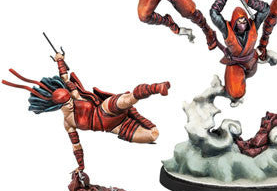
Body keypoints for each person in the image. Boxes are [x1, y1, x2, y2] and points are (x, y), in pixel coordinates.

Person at [2, 52, 170, 173]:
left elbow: (65, 77)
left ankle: (156, 87)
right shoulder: (68, 124)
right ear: (56, 106)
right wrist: (81, 166)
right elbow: (76, 146)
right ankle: (148, 100)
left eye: (69, 99)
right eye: (65, 103)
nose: (69, 103)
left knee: (127, 99)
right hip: (115, 127)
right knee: (153, 135)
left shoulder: (75, 96)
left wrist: (59, 60)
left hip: (104, 109)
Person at [210, 0, 270, 103]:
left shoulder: (253, 25)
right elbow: (214, 13)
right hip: (235, 63)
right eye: (239, 21)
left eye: (244, 21)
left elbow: (266, 9)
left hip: (251, 61)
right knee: (236, 93)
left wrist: (248, 1)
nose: (242, 24)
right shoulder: (227, 29)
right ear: (234, 22)